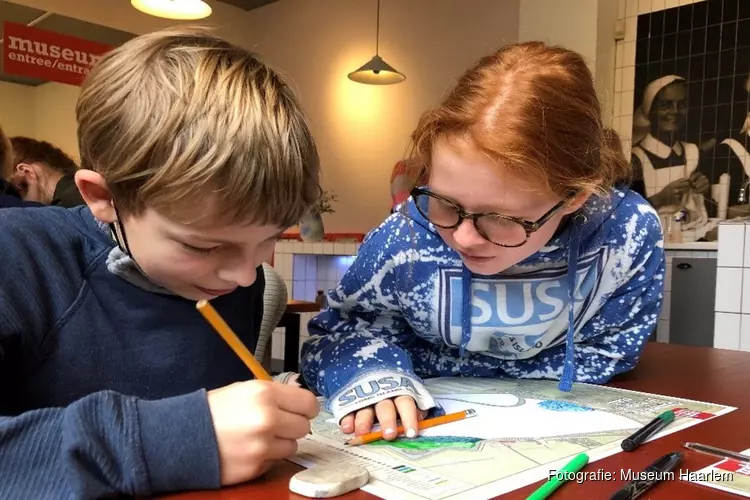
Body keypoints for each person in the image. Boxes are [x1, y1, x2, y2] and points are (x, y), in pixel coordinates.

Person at [0, 27, 320, 498]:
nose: (245, 275)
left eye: (269, 239)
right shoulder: (19, 258)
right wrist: (168, 441)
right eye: (202, 247)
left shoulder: (235, 286)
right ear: (102, 198)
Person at [301, 42, 665, 440]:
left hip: (560, 429)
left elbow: (614, 350)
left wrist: (446, 367)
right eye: (444, 203)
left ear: (575, 197)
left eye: (501, 219)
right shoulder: (403, 235)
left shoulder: (628, 234)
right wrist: (373, 376)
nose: (463, 236)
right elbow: (335, 336)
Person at [630, 75, 710, 211]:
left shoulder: (693, 152)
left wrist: (704, 188)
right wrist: (659, 199)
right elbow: (627, 212)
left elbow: (709, 207)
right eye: (665, 106)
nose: (675, 111)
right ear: (650, 112)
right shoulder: (635, 158)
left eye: (682, 105)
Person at [5, 136, 85, 207]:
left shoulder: (64, 211)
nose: (19, 208)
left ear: (27, 173)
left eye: (15, 196)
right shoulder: (84, 188)